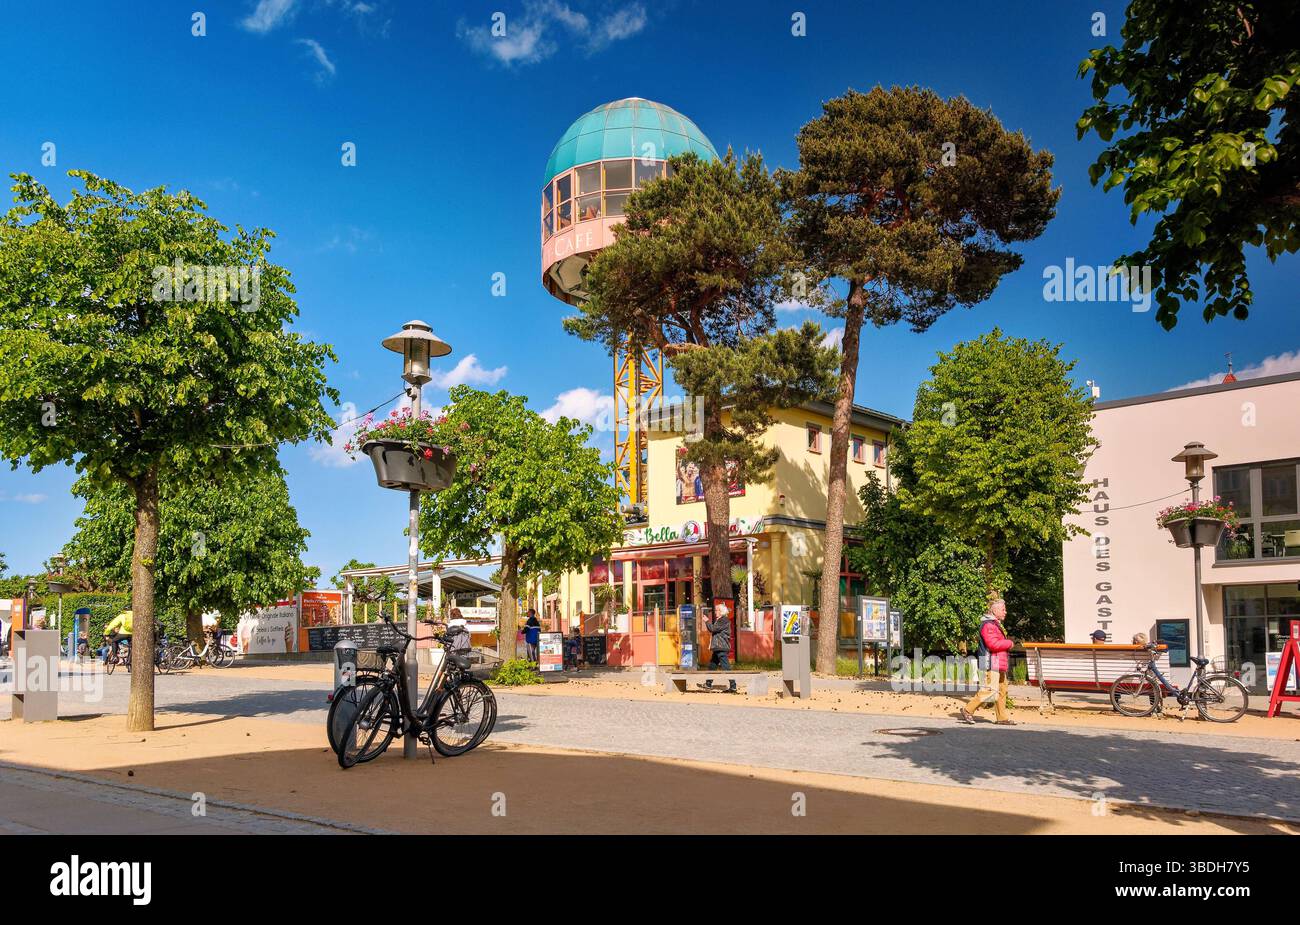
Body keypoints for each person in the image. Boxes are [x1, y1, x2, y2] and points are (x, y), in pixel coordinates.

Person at [959, 598, 1015, 725]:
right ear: (994, 611)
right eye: (1003, 609)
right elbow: (993, 644)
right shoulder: (988, 625)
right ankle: (968, 710)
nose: (1005, 612)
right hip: (991, 663)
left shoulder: (994, 624)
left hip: (998, 663)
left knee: (1002, 690)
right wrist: (1009, 643)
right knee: (990, 689)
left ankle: (1002, 718)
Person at [703, 606, 736, 692]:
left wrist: (707, 621)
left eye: (717, 610)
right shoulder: (720, 620)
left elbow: (713, 629)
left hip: (721, 647)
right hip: (718, 647)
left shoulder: (723, 620)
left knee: (726, 666)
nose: (715, 612)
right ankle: (708, 684)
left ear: (721, 611)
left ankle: (733, 686)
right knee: (712, 666)